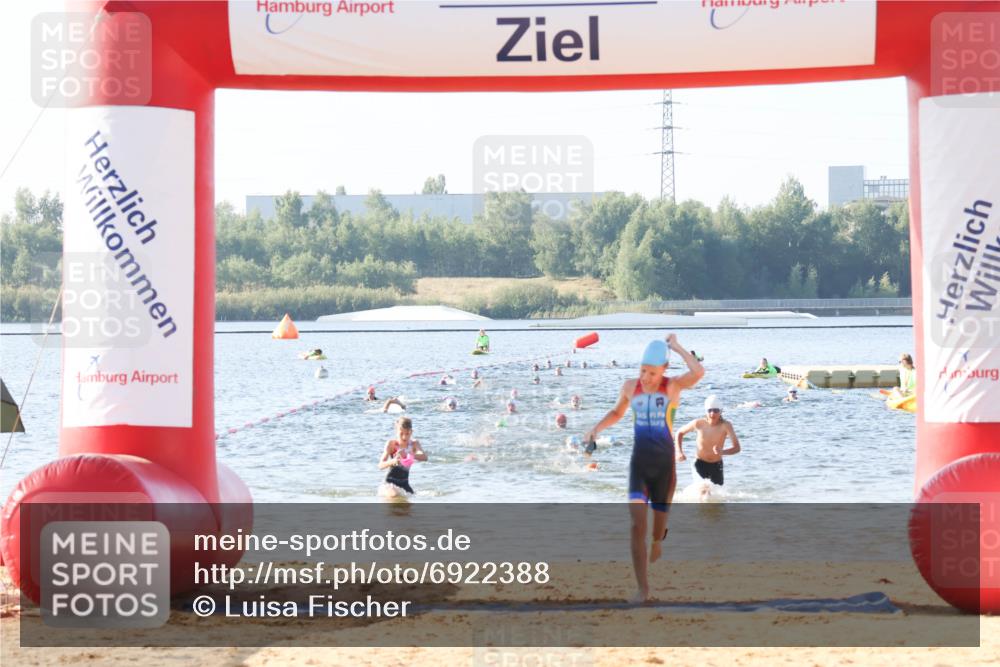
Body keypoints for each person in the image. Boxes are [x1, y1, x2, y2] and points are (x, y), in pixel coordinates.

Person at [583, 334, 704, 603]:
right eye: (642, 371)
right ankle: (643, 589)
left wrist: (676, 347)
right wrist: (595, 429)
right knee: (637, 525)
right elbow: (617, 413)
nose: (646, 377)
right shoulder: (629, 387)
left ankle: (658, 541)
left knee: (657, 528)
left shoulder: (672, 387)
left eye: (651, 372)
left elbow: (698, 372)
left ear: (664, 370)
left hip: (664, 465)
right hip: (639, 463)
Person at [675, 396, 741, 487]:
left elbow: (737, 448)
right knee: (704, 491)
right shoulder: (698, 423)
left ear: (721, 411)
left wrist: (722, 452)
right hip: (699, 463)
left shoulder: (726, 426)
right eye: (709, 410)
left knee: (716, 496)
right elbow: (679, 433)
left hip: (717, 465)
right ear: (706, 411)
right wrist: (679, 452)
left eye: (716, 410)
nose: (712, 414)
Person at [378, 417, 427, 495]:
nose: (404, 437)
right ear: (396, 431)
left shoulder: (414, 444)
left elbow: (424, 457)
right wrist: (393, 461)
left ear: (411, 432)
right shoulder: (392, 444)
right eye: (401, 433)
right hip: (390, 483)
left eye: (407, 434)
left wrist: (409, 454)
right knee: (394, 495)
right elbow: (380, 465)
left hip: (404, 484)